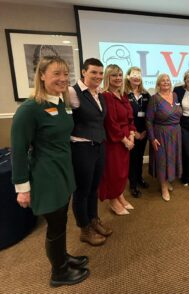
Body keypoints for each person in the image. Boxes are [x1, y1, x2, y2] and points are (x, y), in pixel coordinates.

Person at [11, 56, 89, 287]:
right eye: (57, 73)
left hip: (63, 173)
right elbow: (18, 150)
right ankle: (59, 272)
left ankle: (62, 258)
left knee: (61, 221)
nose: (63, 79)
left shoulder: (58, 103)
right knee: (55, 226)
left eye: (66, 74)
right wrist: (22, 189)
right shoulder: (29, 109)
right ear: (42, 75)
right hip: (46, 176)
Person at [69, 58, 112, 247]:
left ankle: (94, 219)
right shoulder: (72, 92)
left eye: (100, 73)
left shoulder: (98, 93)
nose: (98, 76)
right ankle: (84, 229)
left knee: (94, 187)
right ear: (83, 72)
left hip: (99, 145)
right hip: (82, 147)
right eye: (93, 72)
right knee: (82, 190)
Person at [97, 64, 136, 215]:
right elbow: (111, 122)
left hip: (127, 137)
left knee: (122, 171)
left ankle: (119, 195)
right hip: (115, 141)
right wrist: (125, 140)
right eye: (114, 75)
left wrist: (132, 134)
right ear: (107, 77)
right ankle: (113, 200)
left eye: (120, 75)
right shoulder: (106, 96)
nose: (118, 78)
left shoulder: (123, 95)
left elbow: (130, 117)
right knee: (113, 172)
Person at [146, 73, 182, 201]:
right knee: (162, 160)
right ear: (158, 84)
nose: (166, 82)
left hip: (175, 133)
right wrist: (152, 138)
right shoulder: (154, 99)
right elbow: (149, 120)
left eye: (168, 80)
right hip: (161, 134)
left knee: (171, 159)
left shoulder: (175, 95)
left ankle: (167, 180)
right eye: (163, 81)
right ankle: (163, 187)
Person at [124, 66, 150, 198]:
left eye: (138, 75)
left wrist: (145, 131)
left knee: (139, 157)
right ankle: (133, 184)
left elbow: (149, 115)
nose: (136, 77)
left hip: (143, 132)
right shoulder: (123, 94)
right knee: (132, 159)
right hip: (130, 134)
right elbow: (124, 117)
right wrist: (133, 133)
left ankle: (140, 178)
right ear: (128, 77)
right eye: (133, 74)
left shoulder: (146, 94)